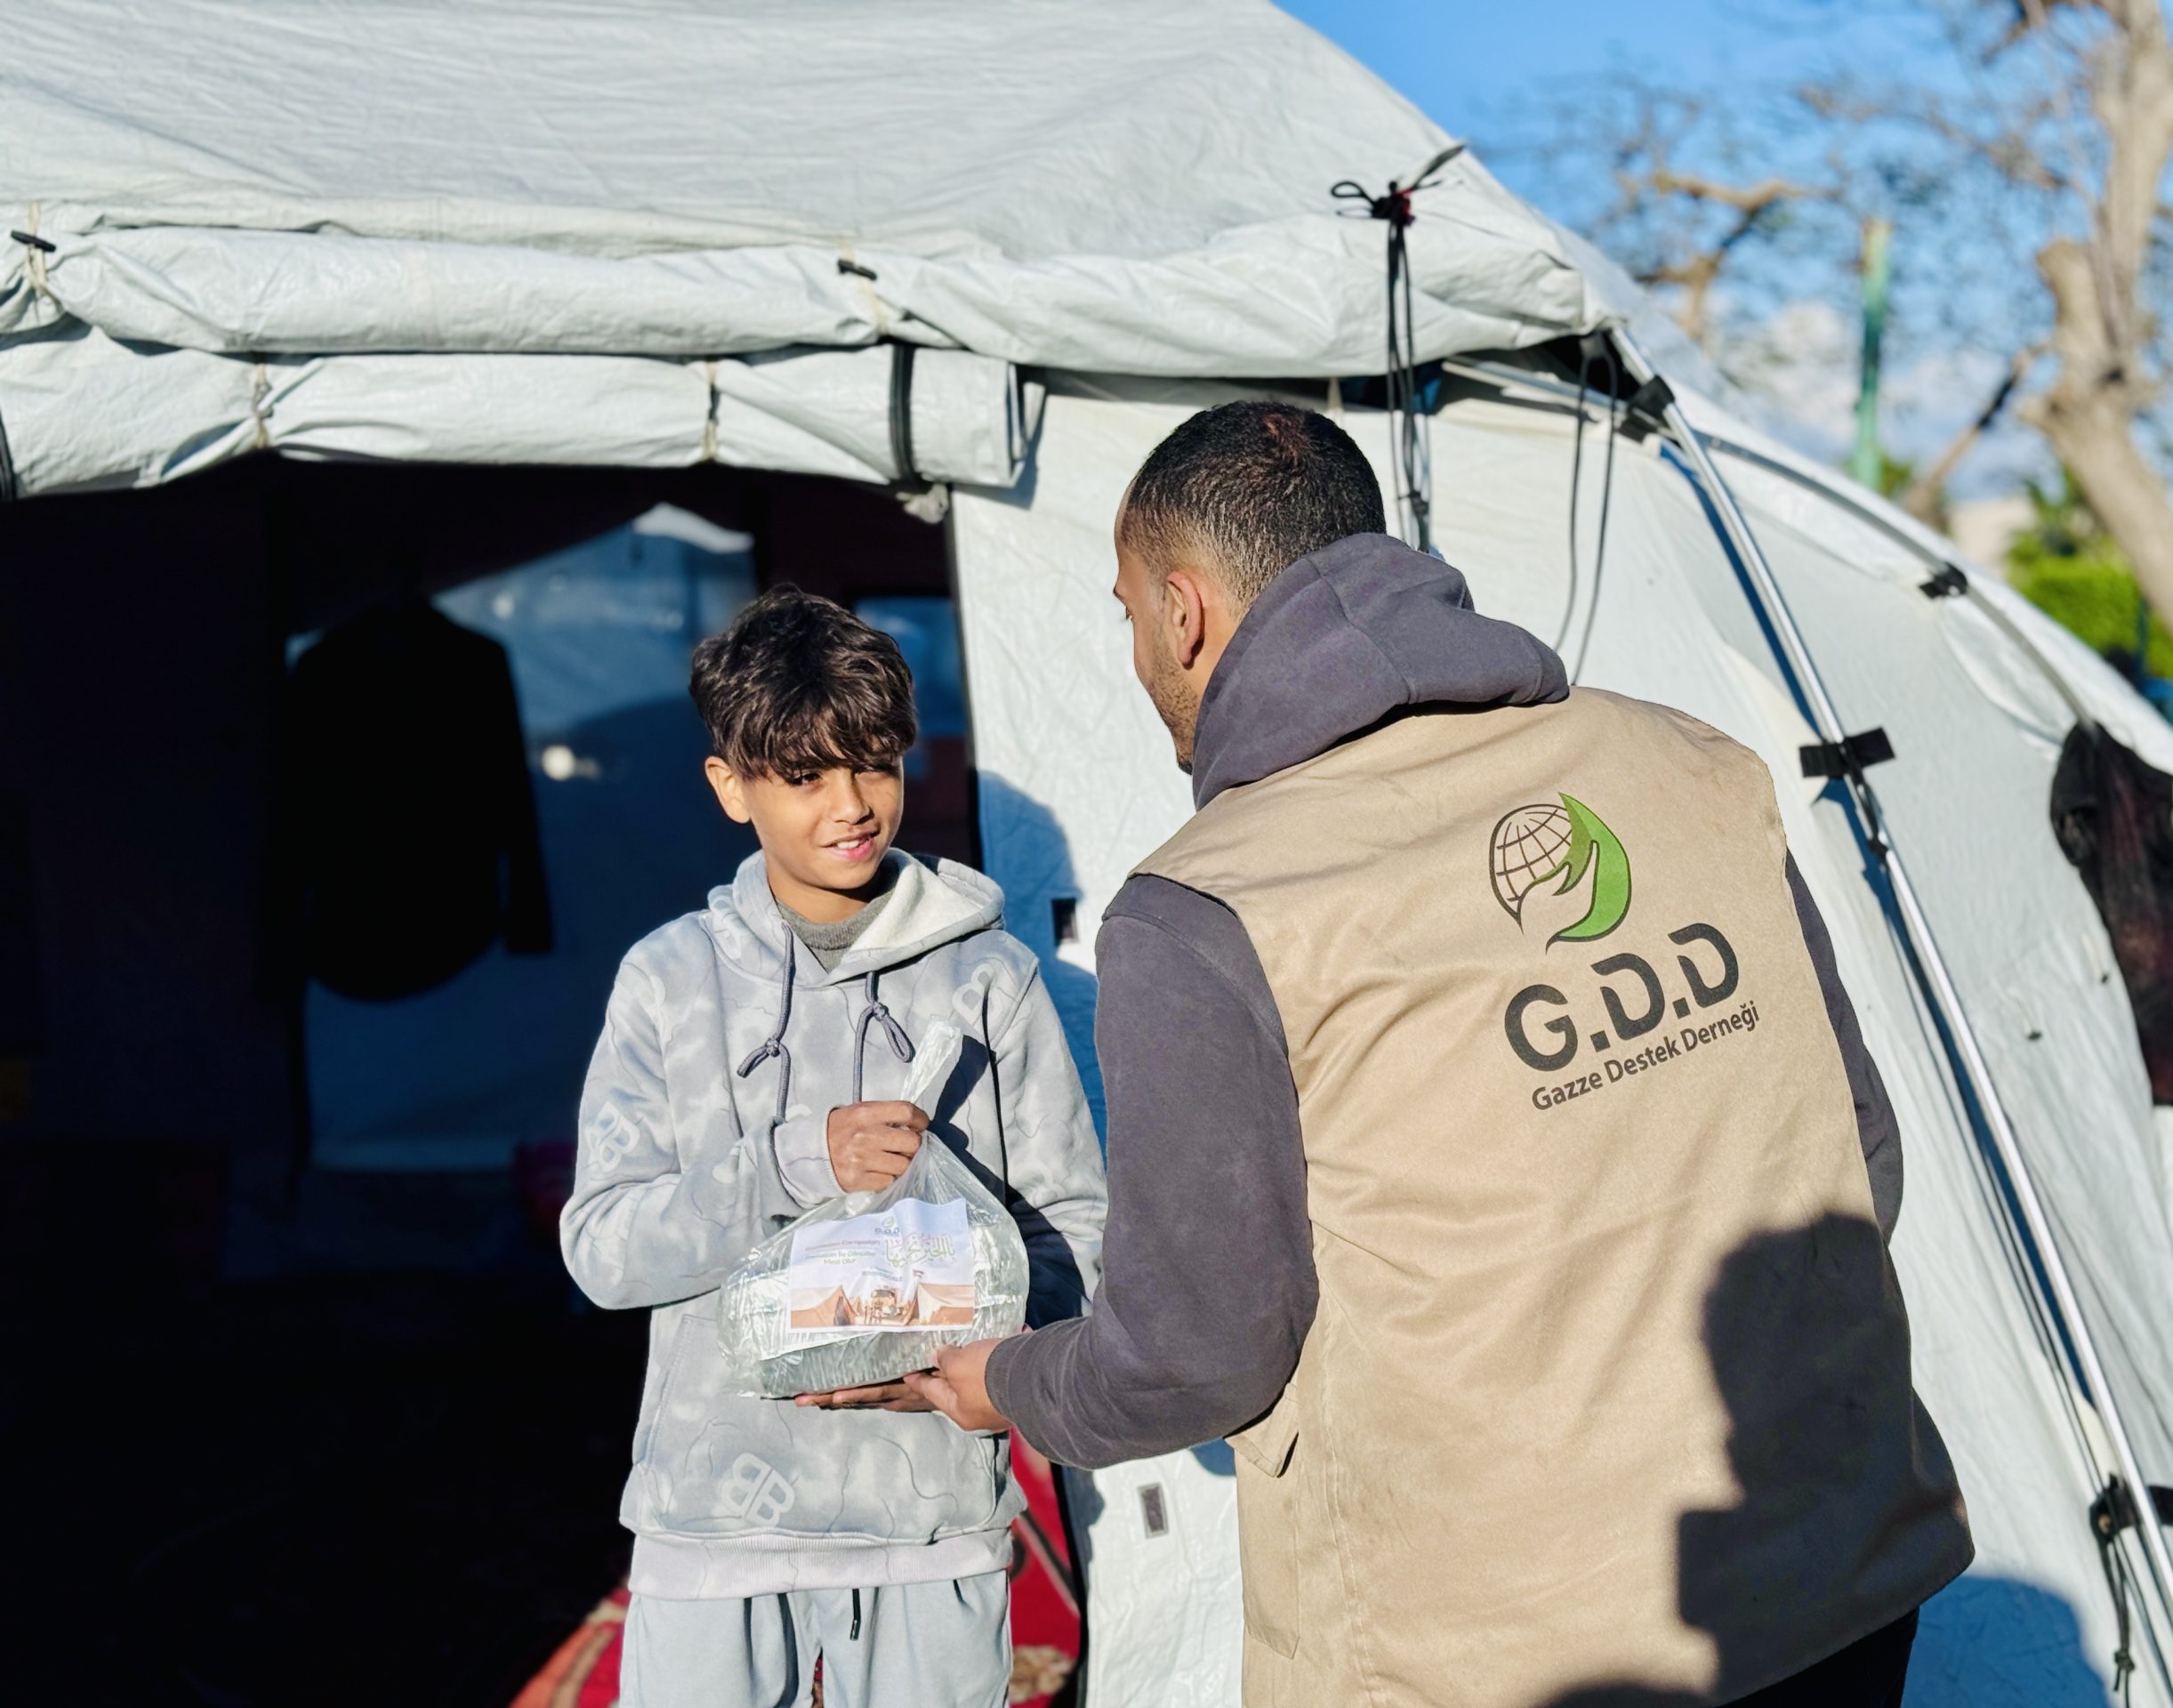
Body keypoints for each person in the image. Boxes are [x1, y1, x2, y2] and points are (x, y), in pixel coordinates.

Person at [909, 403, 1972, 1706]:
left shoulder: (1210, 908)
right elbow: (1854, 1156)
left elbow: (1196, 1353)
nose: (1137, 649)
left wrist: (1007, 1381)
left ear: (1183, 612)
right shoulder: (1695, 767)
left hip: (1499, 1652)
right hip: (1834, 1574)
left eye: (1128, 611)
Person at [561, 584, 1107, 1708]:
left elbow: (1080, 1238)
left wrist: (967, 1372)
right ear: (730, 787)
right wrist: (787, 1162)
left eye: (874, 763)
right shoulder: (667, 982)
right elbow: (601, 1250)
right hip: (712, 1516)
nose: (851, 805)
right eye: (805, 776)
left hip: (929, 1514)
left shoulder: (988, 979)